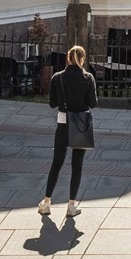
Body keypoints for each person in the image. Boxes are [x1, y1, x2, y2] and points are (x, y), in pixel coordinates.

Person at [41, 44, 97, 218]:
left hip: (63, 121)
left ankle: (46, 202)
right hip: (80, 123)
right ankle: (71, 205)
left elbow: (52, 103)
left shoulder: (58, 78)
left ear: (67, 58)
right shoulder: (88, 78)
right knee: (77, 165)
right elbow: (93, 103)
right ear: (82, 59)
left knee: (56, 163)